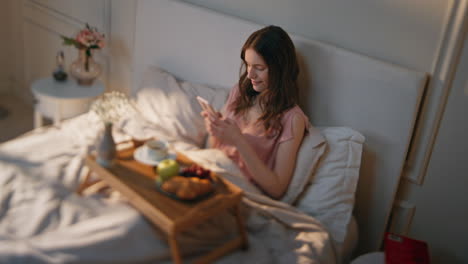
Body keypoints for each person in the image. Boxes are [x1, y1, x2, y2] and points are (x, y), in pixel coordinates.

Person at [202, 25, 323, 200]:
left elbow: (277, 188)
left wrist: (238, 140)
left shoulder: (292, 119)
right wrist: (215, 130)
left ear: (280, 70)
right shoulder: (240, 92)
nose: (250, 74)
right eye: (248, 65)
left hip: (239, 192)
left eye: (259, 67)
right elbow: (215, 150)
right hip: (212, 173)